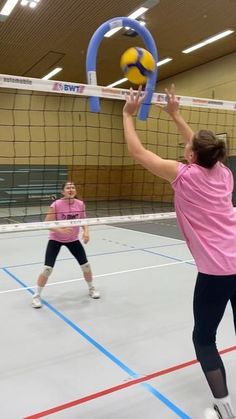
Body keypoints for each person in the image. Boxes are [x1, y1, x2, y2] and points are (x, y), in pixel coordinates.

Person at [122, 85, 236, 419]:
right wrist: (174, 114)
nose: (185, 147)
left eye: (187, 147)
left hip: (216, 272)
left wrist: (128, 115)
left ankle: (224, 408)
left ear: (190, 156)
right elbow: (201, 149)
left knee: (204, 338)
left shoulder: (184, 176)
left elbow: (139, 153)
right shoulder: (225, 174)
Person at [32, 181, 100, 308]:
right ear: (63, 191)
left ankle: (91, 289)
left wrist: (86, 232)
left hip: (73, 240)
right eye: (68, 187)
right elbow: (47, 223)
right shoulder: (56, 204)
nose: (71, 189)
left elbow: (83, 220)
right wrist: (60, 230)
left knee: (86, 266)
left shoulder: (80, 204)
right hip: (55, 240)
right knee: (47, 269)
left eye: (73, 187)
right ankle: (36, 296)